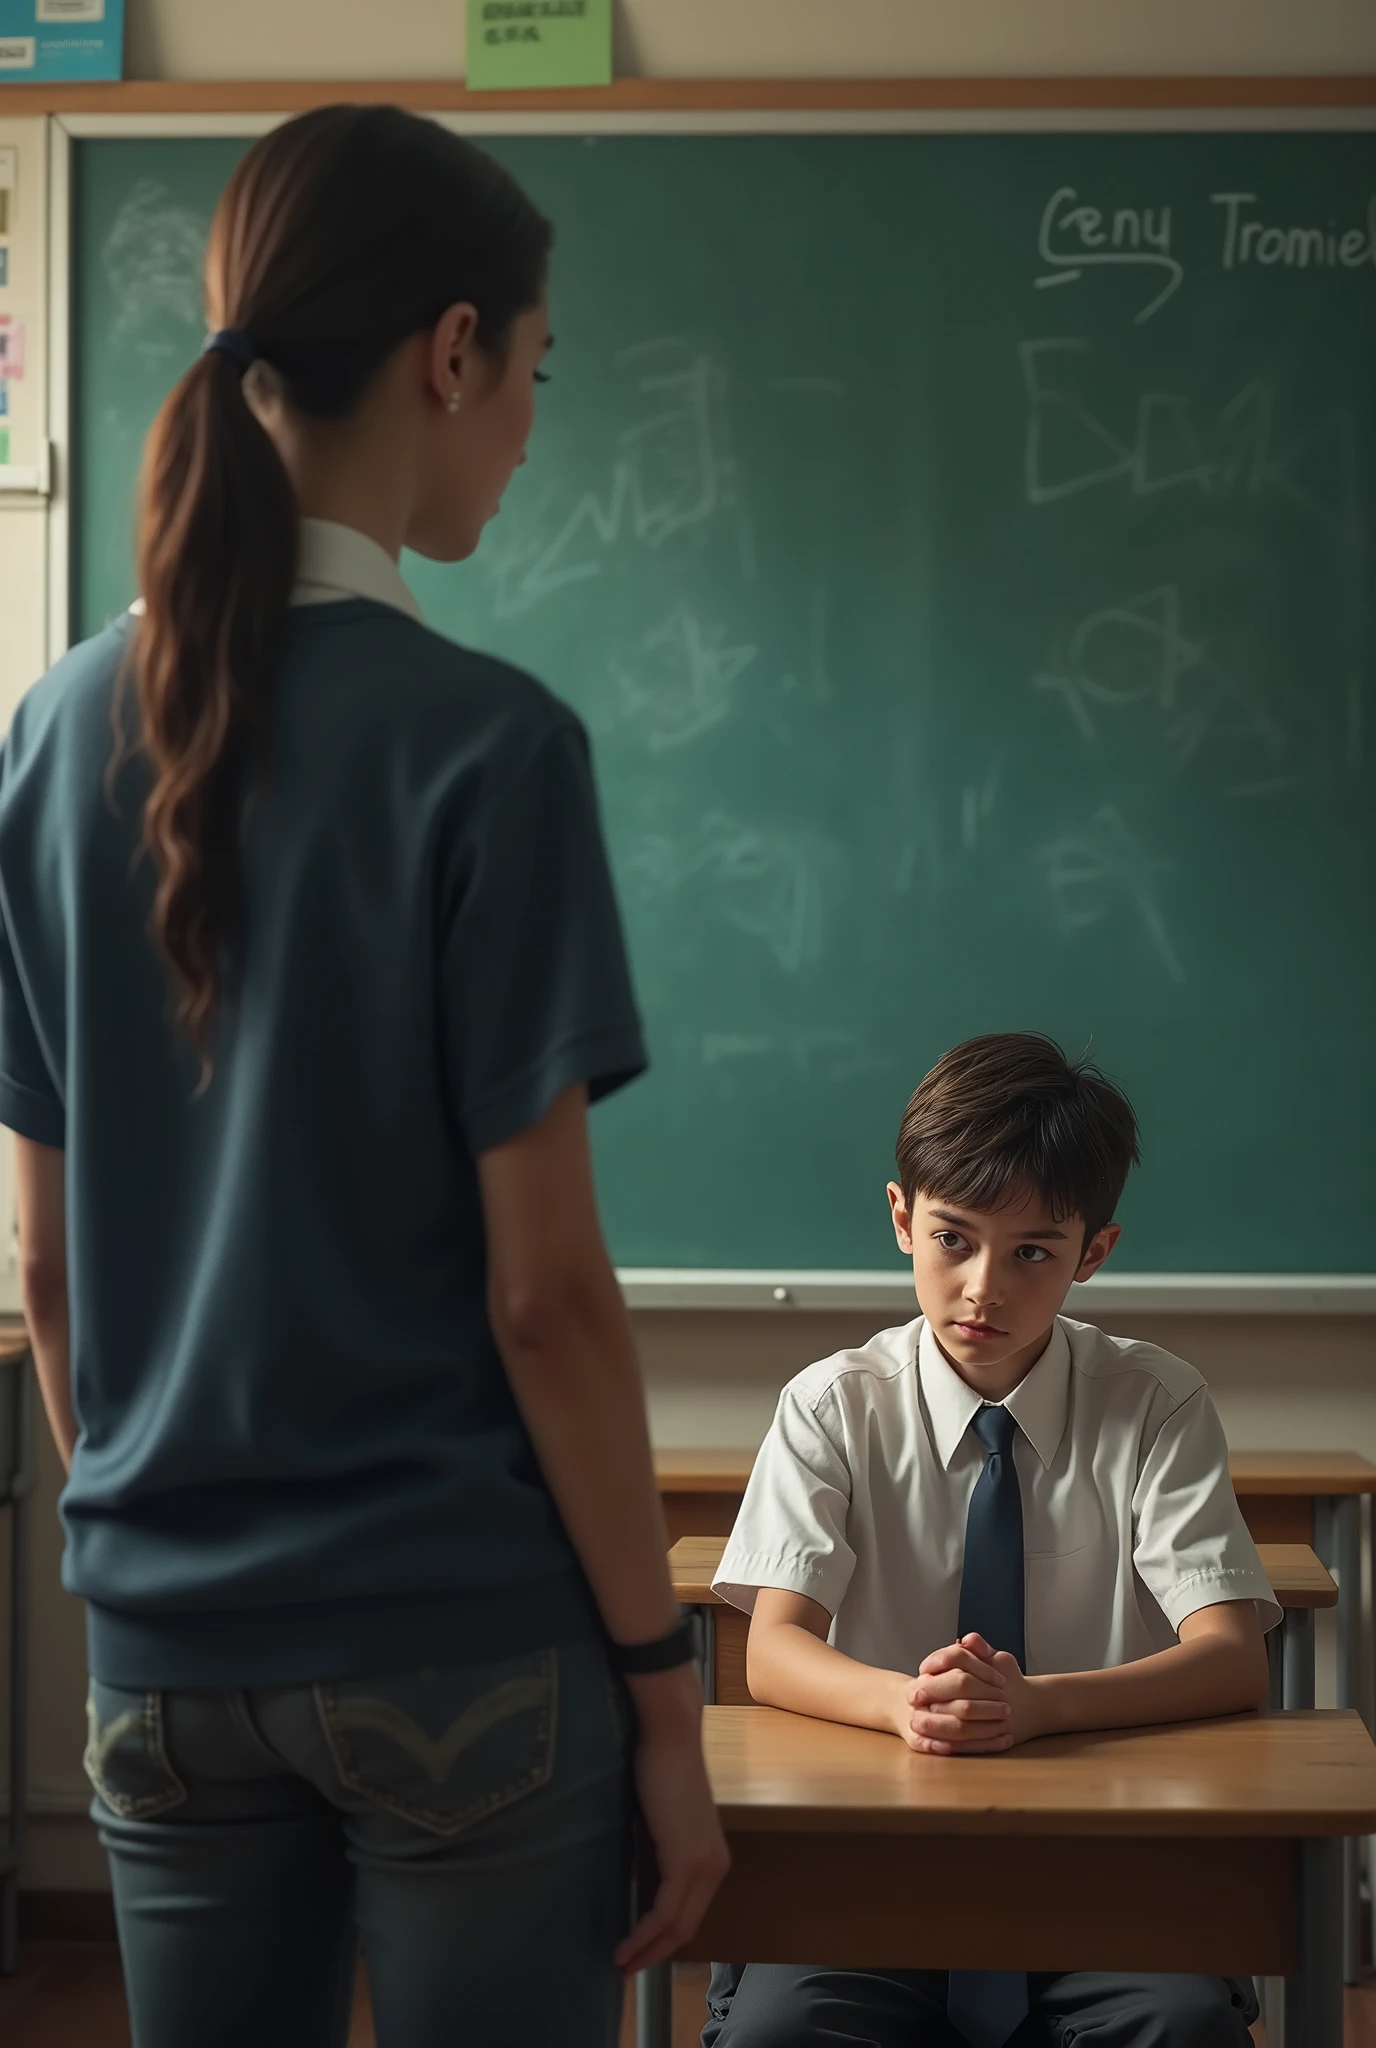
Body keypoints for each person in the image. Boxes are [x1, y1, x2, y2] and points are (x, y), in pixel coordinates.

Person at [0, 103, 726, 2048]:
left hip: (159, 1643)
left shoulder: (51, 732)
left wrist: (169, 1556)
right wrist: (663, 1689)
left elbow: (49, 1270)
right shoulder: (489, 748)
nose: (526, 427)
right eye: (535, 375)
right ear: (452, 348)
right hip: (454, 1636)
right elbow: (546, 1298)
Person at [703, 1031, 1275, 2048]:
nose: (981, 1286)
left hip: (1106, 1854)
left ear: (1090, 1252)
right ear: (900, 1219)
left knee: (1180, 2022)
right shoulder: (832, 1405)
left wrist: (1034, 1707)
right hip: (871, 1855)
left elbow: (1228, 1655)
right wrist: (907, 1703)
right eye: (951, 1238)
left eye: (1030, 1252)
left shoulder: (1153, 1403)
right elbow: (772, 1646)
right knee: (774, 2033)